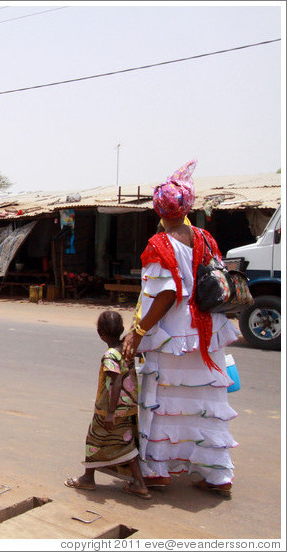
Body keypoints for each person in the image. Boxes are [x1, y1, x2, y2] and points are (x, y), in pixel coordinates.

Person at [122, 159, 241, 498]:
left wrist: (139, 331)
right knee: (204, 404)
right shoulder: (205, 238)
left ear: (158, 209)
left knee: (163, 403)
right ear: (188, 208)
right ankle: (218, 477)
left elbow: (167, 293)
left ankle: (158, 471)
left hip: (173, 335)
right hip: (208, 332)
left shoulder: (159, 243)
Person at [64, 310, 150, 500]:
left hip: (110, 409)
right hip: (127, 408)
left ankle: (88, 478)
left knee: (93, 440)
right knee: (126, 444)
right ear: (120, 330)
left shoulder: (110, 355)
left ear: (100, 333)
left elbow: (116, 381)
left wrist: (110, 413)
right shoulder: (126, 349)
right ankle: (139, 483)